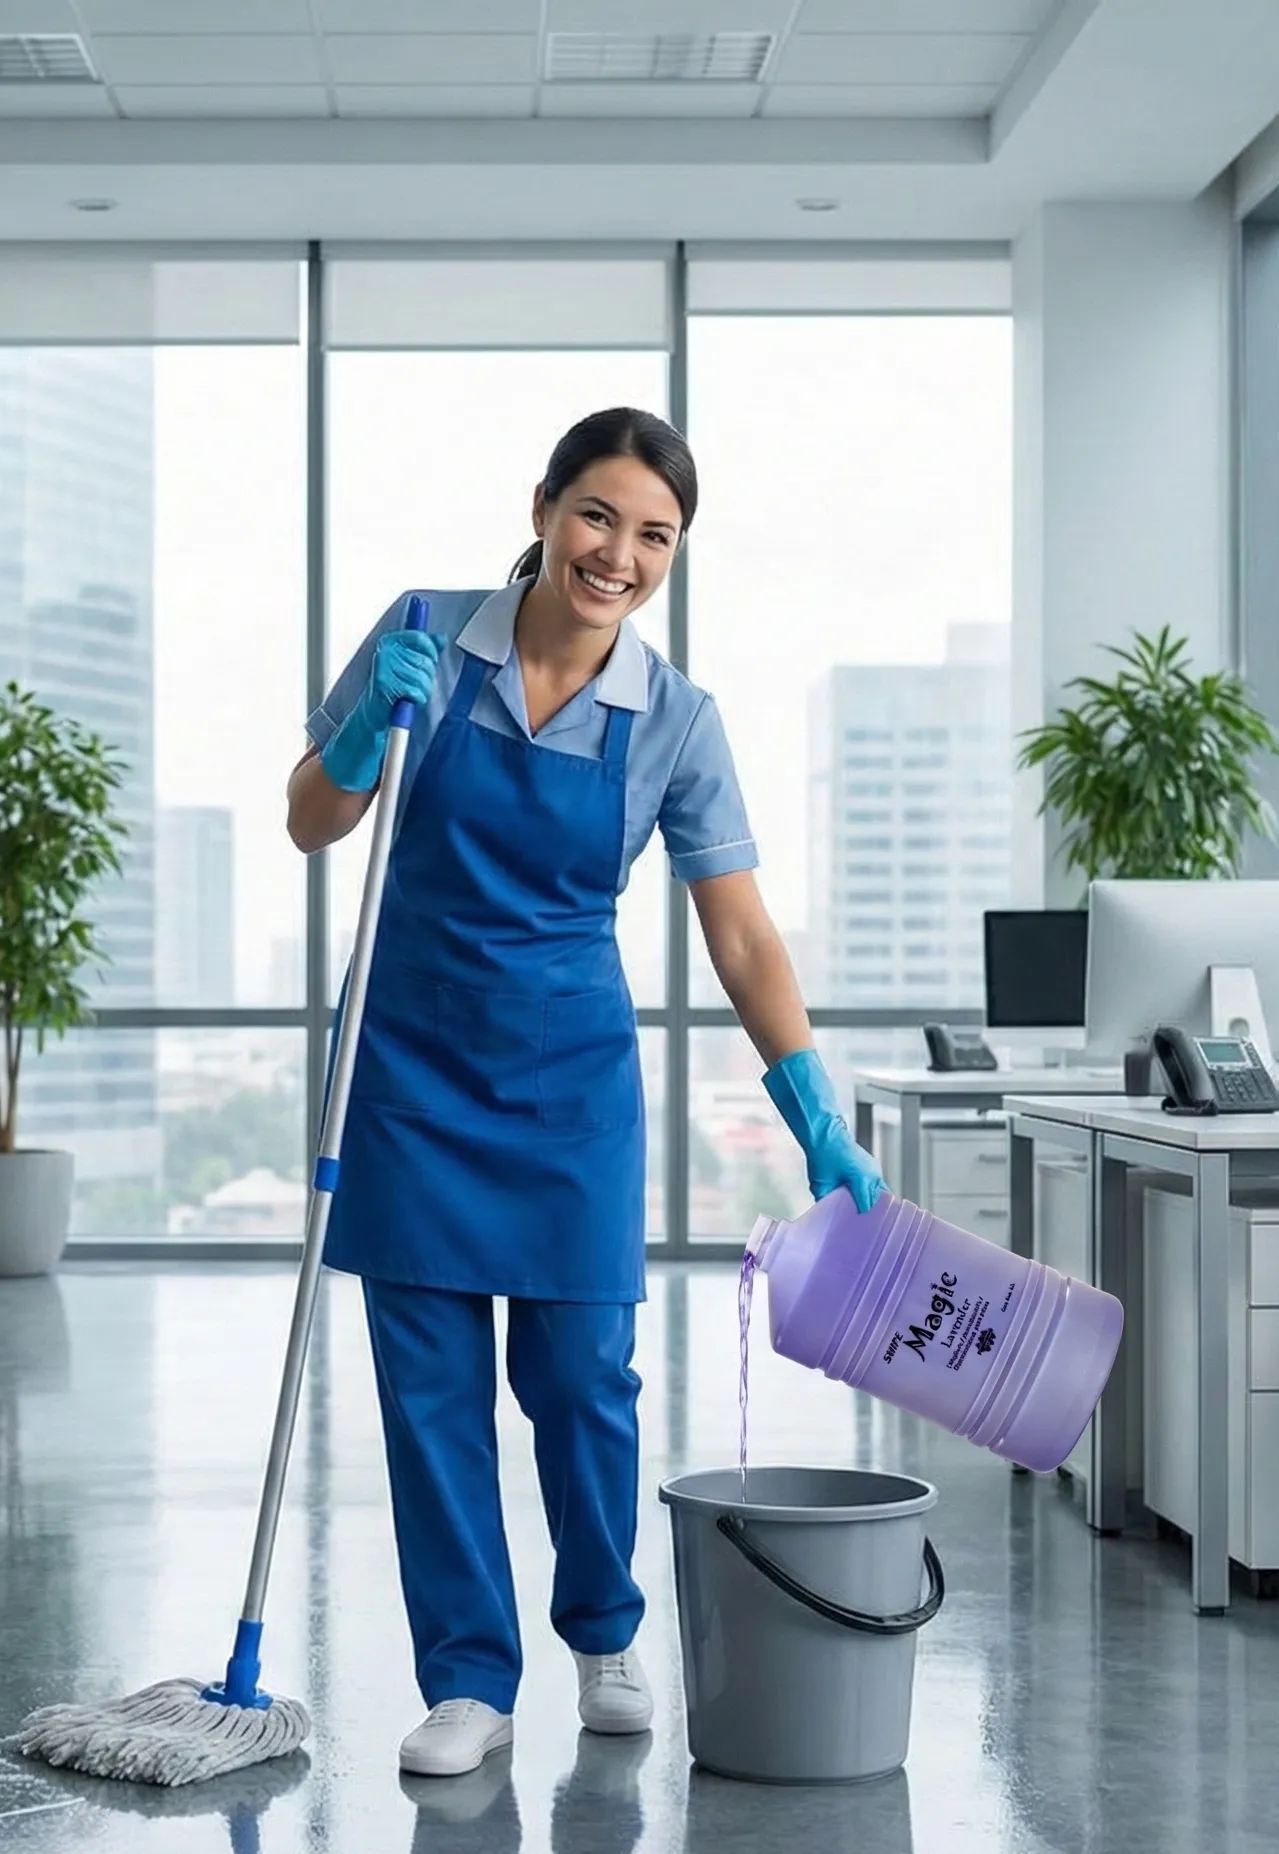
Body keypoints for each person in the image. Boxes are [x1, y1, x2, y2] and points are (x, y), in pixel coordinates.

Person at [286, 406, 886, 1779]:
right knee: (431, 1393)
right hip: (407, 1067)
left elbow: (738, 932)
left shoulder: (673, 720)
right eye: (598, 516)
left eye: (655, 534)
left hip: (568, 1087)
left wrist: (812, 1112)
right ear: (547, 506)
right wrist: (369, 733)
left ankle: (606, 1628)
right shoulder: (426, 632)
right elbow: (312, 818)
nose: (619, 552)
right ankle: (468, 1679)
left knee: (580, 1376)